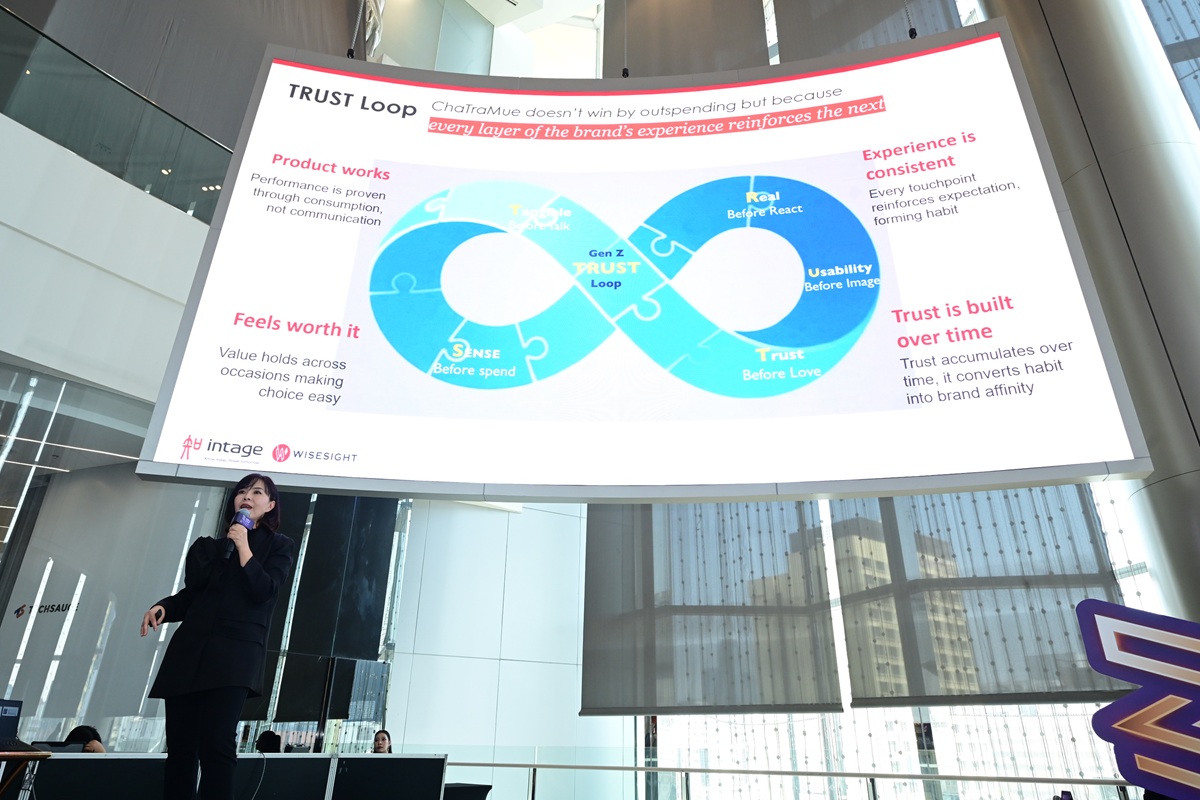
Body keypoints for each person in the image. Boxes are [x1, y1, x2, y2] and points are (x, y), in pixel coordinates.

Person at [140, 473, 295, 800]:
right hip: (189, 653)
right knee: (180, 748)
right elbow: (193, 596)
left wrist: (243, 546)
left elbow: (265, 591)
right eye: (242, 491)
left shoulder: (279, 546)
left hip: (234, 658)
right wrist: (164, 607)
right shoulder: (208, 548)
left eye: (257, 492)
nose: (247, 496)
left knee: (217, 742)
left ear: (270, 505)